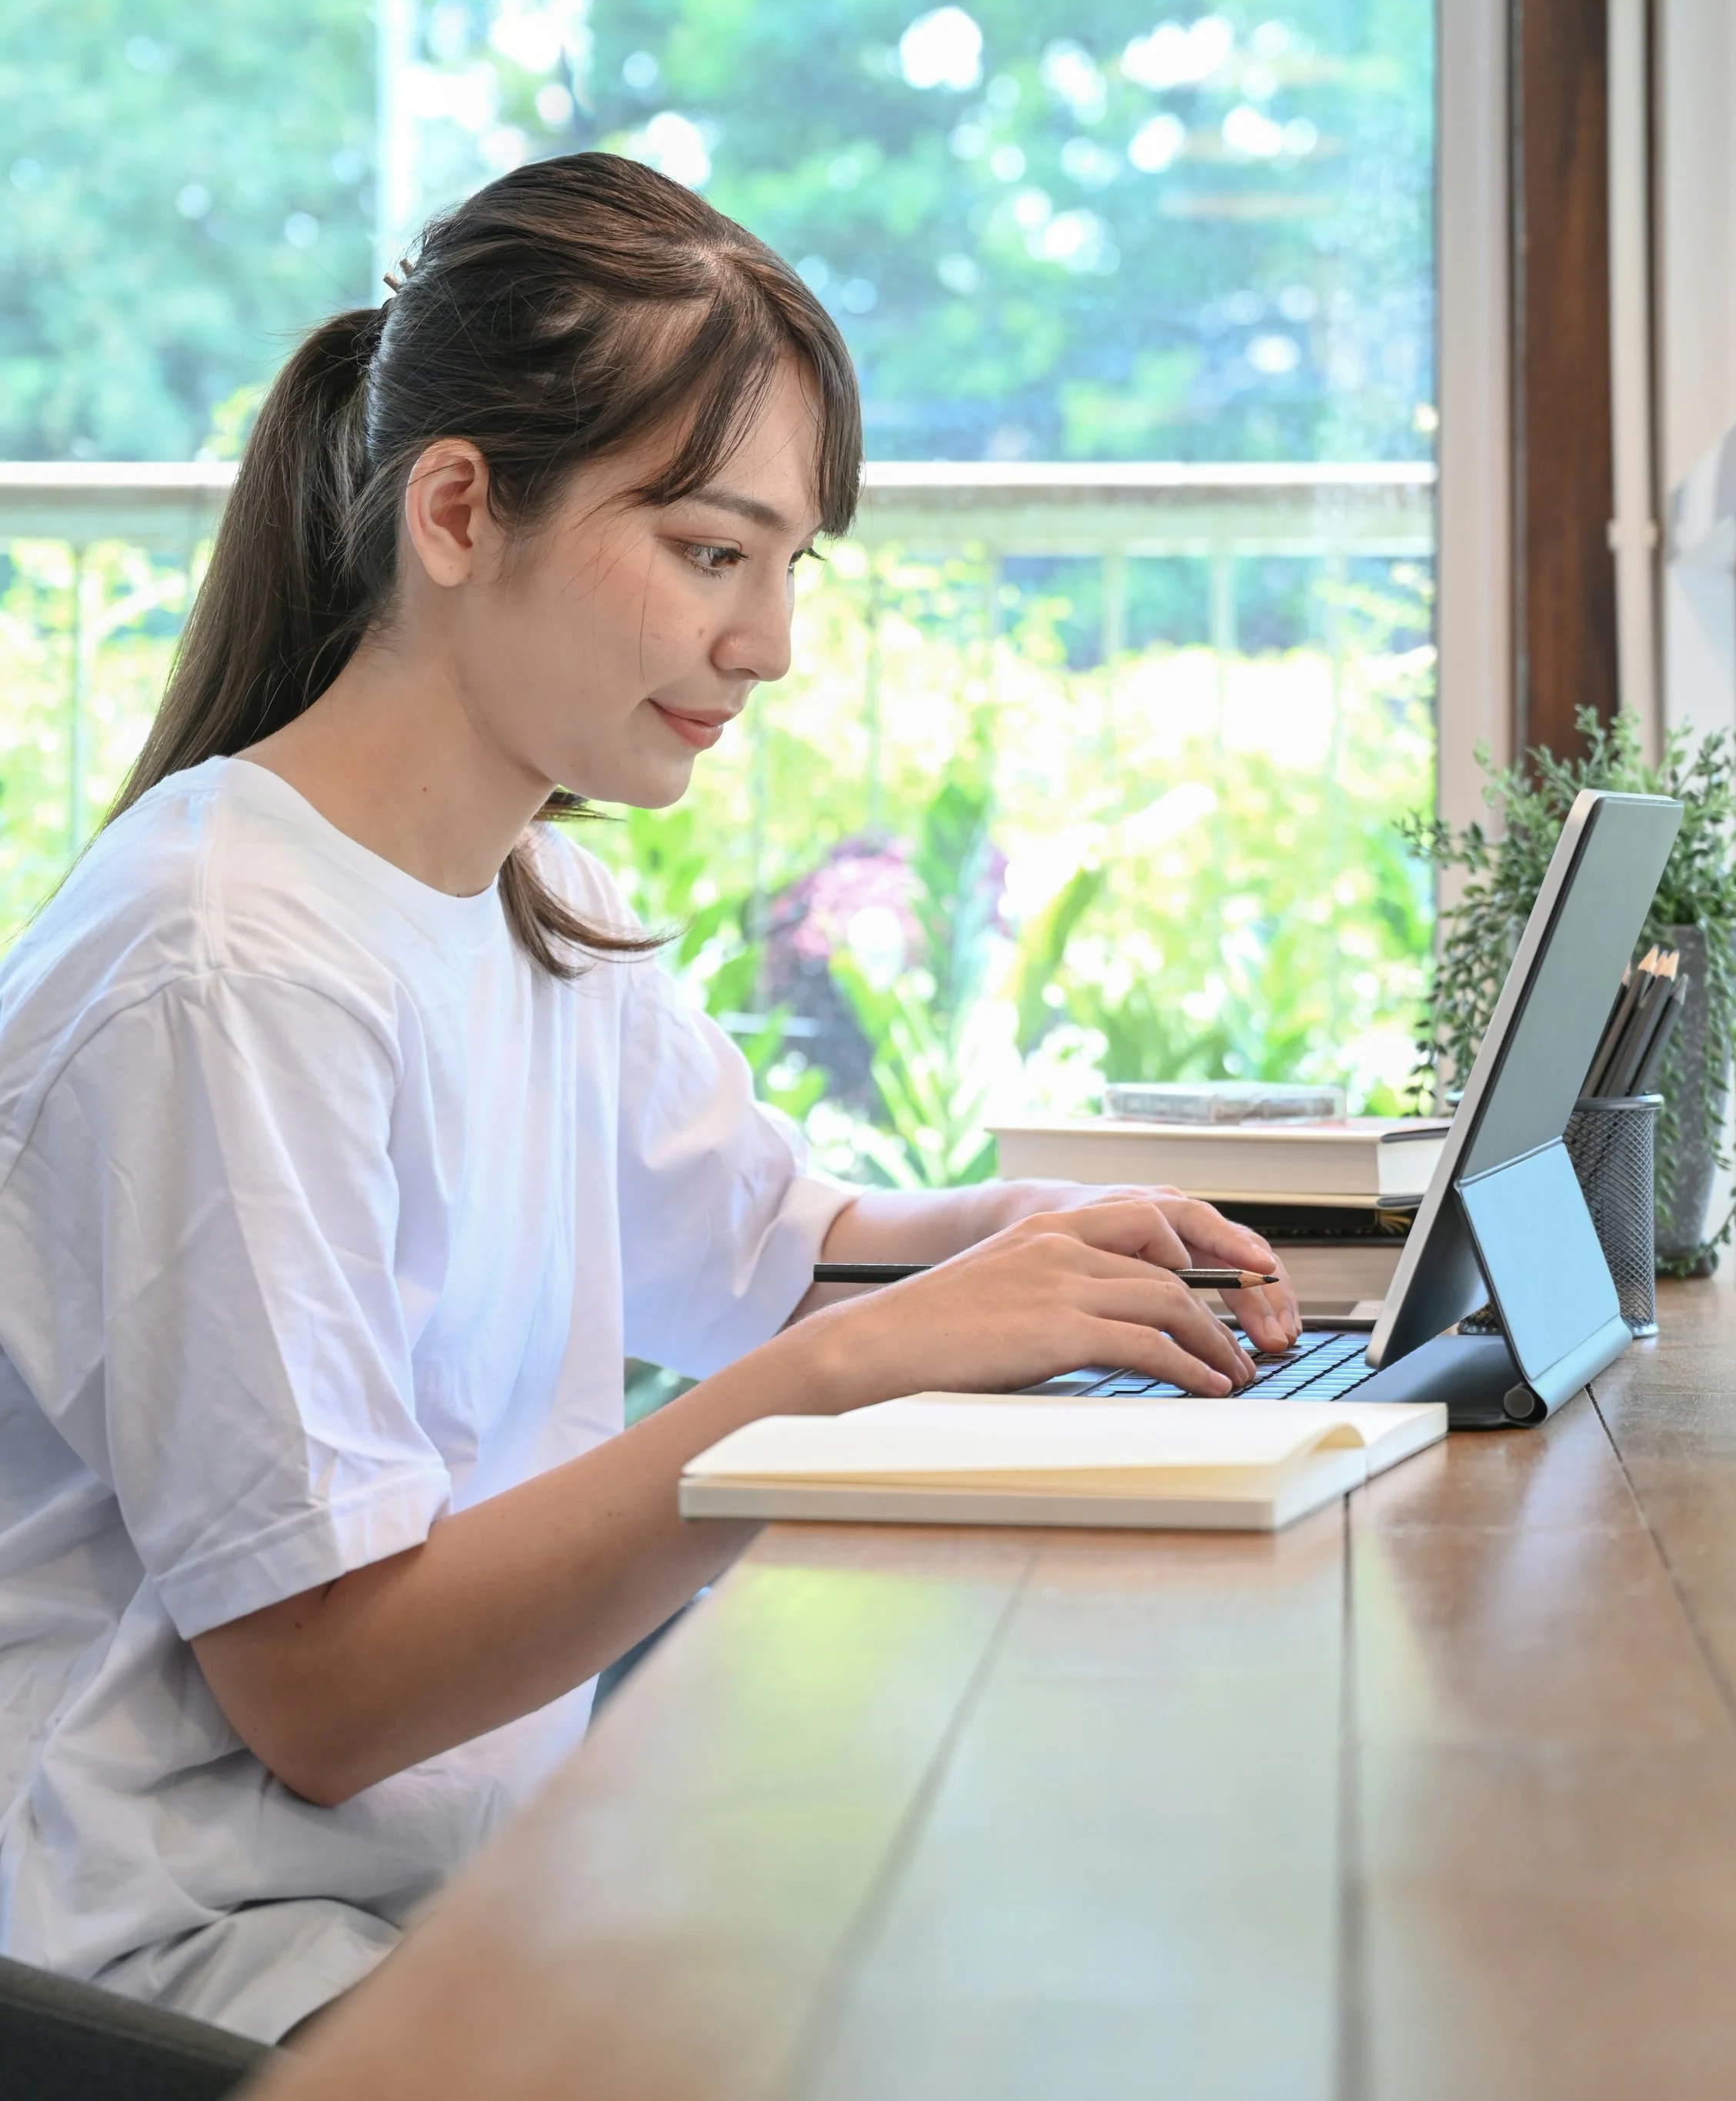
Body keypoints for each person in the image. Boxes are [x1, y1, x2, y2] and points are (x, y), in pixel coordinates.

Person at [0, 153, 1298, 2045]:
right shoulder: (226, 966)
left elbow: (772, 1267)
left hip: (433, 1902)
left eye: (790, 570)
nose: (766, 644)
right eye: (709, 552)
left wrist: (1026, 1248)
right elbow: (331, 1686)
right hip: (195, 1976)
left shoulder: (540, 897)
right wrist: (836, 1378)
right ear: (458, 507)